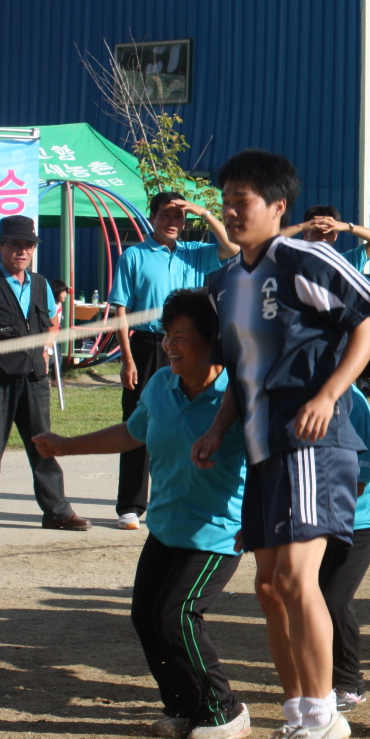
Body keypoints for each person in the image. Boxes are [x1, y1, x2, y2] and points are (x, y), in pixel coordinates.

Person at [192, 149, 370, 739]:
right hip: (262, 448)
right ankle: (300, 714)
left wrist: (328, 397)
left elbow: (369, 324)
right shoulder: (224, 282)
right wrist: (219, 429)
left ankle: (325, 714)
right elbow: (241, 371)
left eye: (241, 200)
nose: (230, 211)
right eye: (226, 200)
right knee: (269, 587)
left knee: (299, 579)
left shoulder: (305, 259)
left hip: (312, 443)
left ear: (277, 206)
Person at [33, 289, 249, 739]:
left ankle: (225, 710)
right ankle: (184, 706)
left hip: (218, 529)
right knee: (146, 617)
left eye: (180, 337)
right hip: (167, 525)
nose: (169, 345)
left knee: (177, 615)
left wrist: (262, 516)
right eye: (167, 335)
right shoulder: (161, 384)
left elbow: (270, 457)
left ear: (212, 341)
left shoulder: (239, 394)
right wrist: (67, 446)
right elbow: (133, 434)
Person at [109, 191, 238, 531]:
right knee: (139, 421)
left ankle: (186, 496)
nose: (173, 222)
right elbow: (121, 309)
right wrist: (126, 359)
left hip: (194, 346)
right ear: (152, 217)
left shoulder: (195, 252)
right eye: (166, 215)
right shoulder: (134, 256)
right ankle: (131, 504)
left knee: (195, 419)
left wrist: (203, 213)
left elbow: (232, 248)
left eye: (179, 216)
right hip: (149, 344)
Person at [0, 216, 85, 532]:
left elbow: (53, 323)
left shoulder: (41, 284)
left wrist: (45, 351)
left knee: (45, 446)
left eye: (28, 245)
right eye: (14, 244)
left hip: (34, 380)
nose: (22, 251)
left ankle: (56, 512)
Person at [322, 382, 370, 713]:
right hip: (318, 513)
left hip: (360, 515)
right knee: (309, 594)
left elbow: (359, 478)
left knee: (333, 597)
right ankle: (320, 674)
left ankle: (349, 683)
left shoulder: (351, 398)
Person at [281, 204, 370, 273]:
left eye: (328, 232)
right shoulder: (295, 260)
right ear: (306, 233)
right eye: (317, 232)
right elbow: (271, 239)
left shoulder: (347, 261)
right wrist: (301, 226)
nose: (322, 237)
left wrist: (346, 226)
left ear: (336, 235)